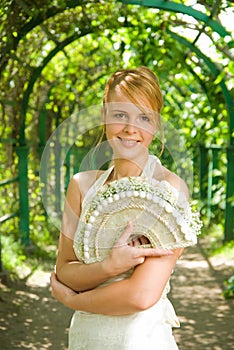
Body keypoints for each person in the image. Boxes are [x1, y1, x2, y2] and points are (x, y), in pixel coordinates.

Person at [50, 66, 199, 349]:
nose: (131, 128)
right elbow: (64, 271)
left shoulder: (170, 189)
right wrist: (110, 266)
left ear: (155, 126)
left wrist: (72, 300)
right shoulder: (81, 185)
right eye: (120, 114)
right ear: (104, 117)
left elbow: (140, 295)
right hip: (84, 338)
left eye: (144, 117)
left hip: (142, 339)